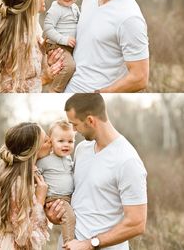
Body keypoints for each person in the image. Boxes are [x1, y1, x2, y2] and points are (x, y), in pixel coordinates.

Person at [46, 94, 147, 250]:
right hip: (67, 245)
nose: (73, 130)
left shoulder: (127, 161)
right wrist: (54, 215)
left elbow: (137, 223)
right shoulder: (81, 149)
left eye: (75, 124)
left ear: (91, 121)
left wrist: (90, 244)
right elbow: (79, 198)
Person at [64, 0, 149, 93]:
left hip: (91, 95)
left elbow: (140, 77)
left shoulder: (129, 17)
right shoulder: (89, 0)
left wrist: (103, 93)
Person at [0, 0, 63, 93]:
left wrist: (44, 56)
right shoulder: (18, 42)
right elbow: (8, 89)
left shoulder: (34, 26)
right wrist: (45, 78)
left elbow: (29, 71)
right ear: (28, 5)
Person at [0, 122, 52, 250]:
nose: (51, 142)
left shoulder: (28, 177)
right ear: (33, 151)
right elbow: (24, 240)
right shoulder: (17, 185)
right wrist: (40, 201)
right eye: (45, 140)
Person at [36, 120, 76, 244]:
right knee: (69, 217)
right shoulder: (45, 160)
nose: (66, 145)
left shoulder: (69, 159)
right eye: (61, 141)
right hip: (55, 198)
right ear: (51, 142)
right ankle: (69, 244)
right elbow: (35, 172)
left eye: (70, 141)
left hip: (68, 197)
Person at [44, 0, 80, 92]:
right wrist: (63, 40)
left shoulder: (75, 8)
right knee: (69, 66)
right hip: (57, 45)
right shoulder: (56, 9)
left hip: (68, 45)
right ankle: (55, 90)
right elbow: (48, 28)